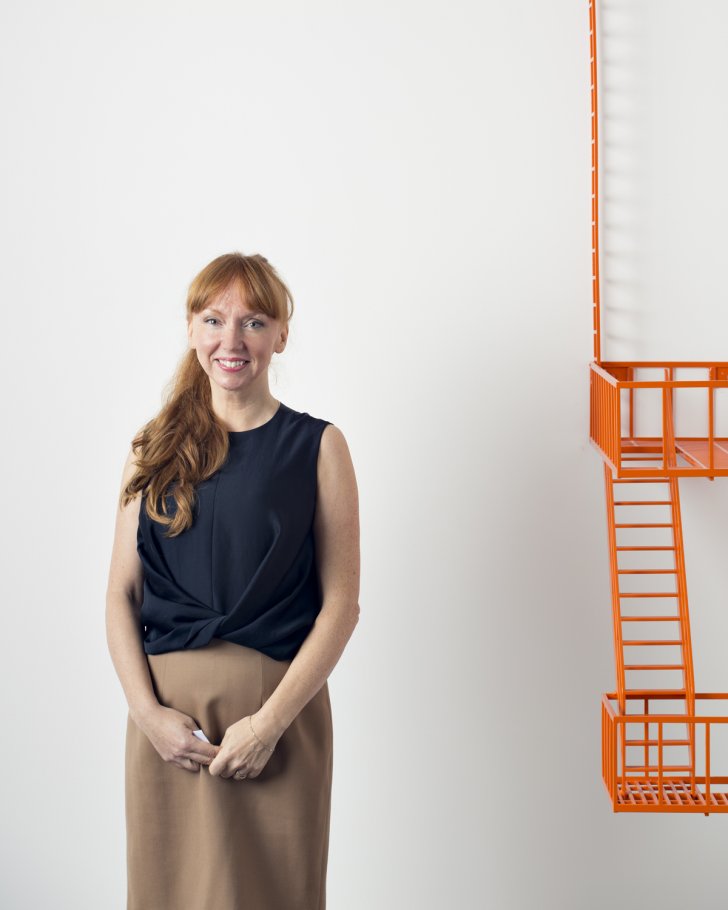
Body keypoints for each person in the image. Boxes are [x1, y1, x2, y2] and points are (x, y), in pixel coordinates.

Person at [105, 251, 360, 910]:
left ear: (281, 335)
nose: (232, 339)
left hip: (276, 725)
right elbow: (122, 595)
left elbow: (341, 606)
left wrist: (268, 725)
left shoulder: (319, 447)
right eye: (214, 319)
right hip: (169, 733)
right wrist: (148, 714)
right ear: (191, 329)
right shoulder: (151, 449)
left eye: (253, 322)